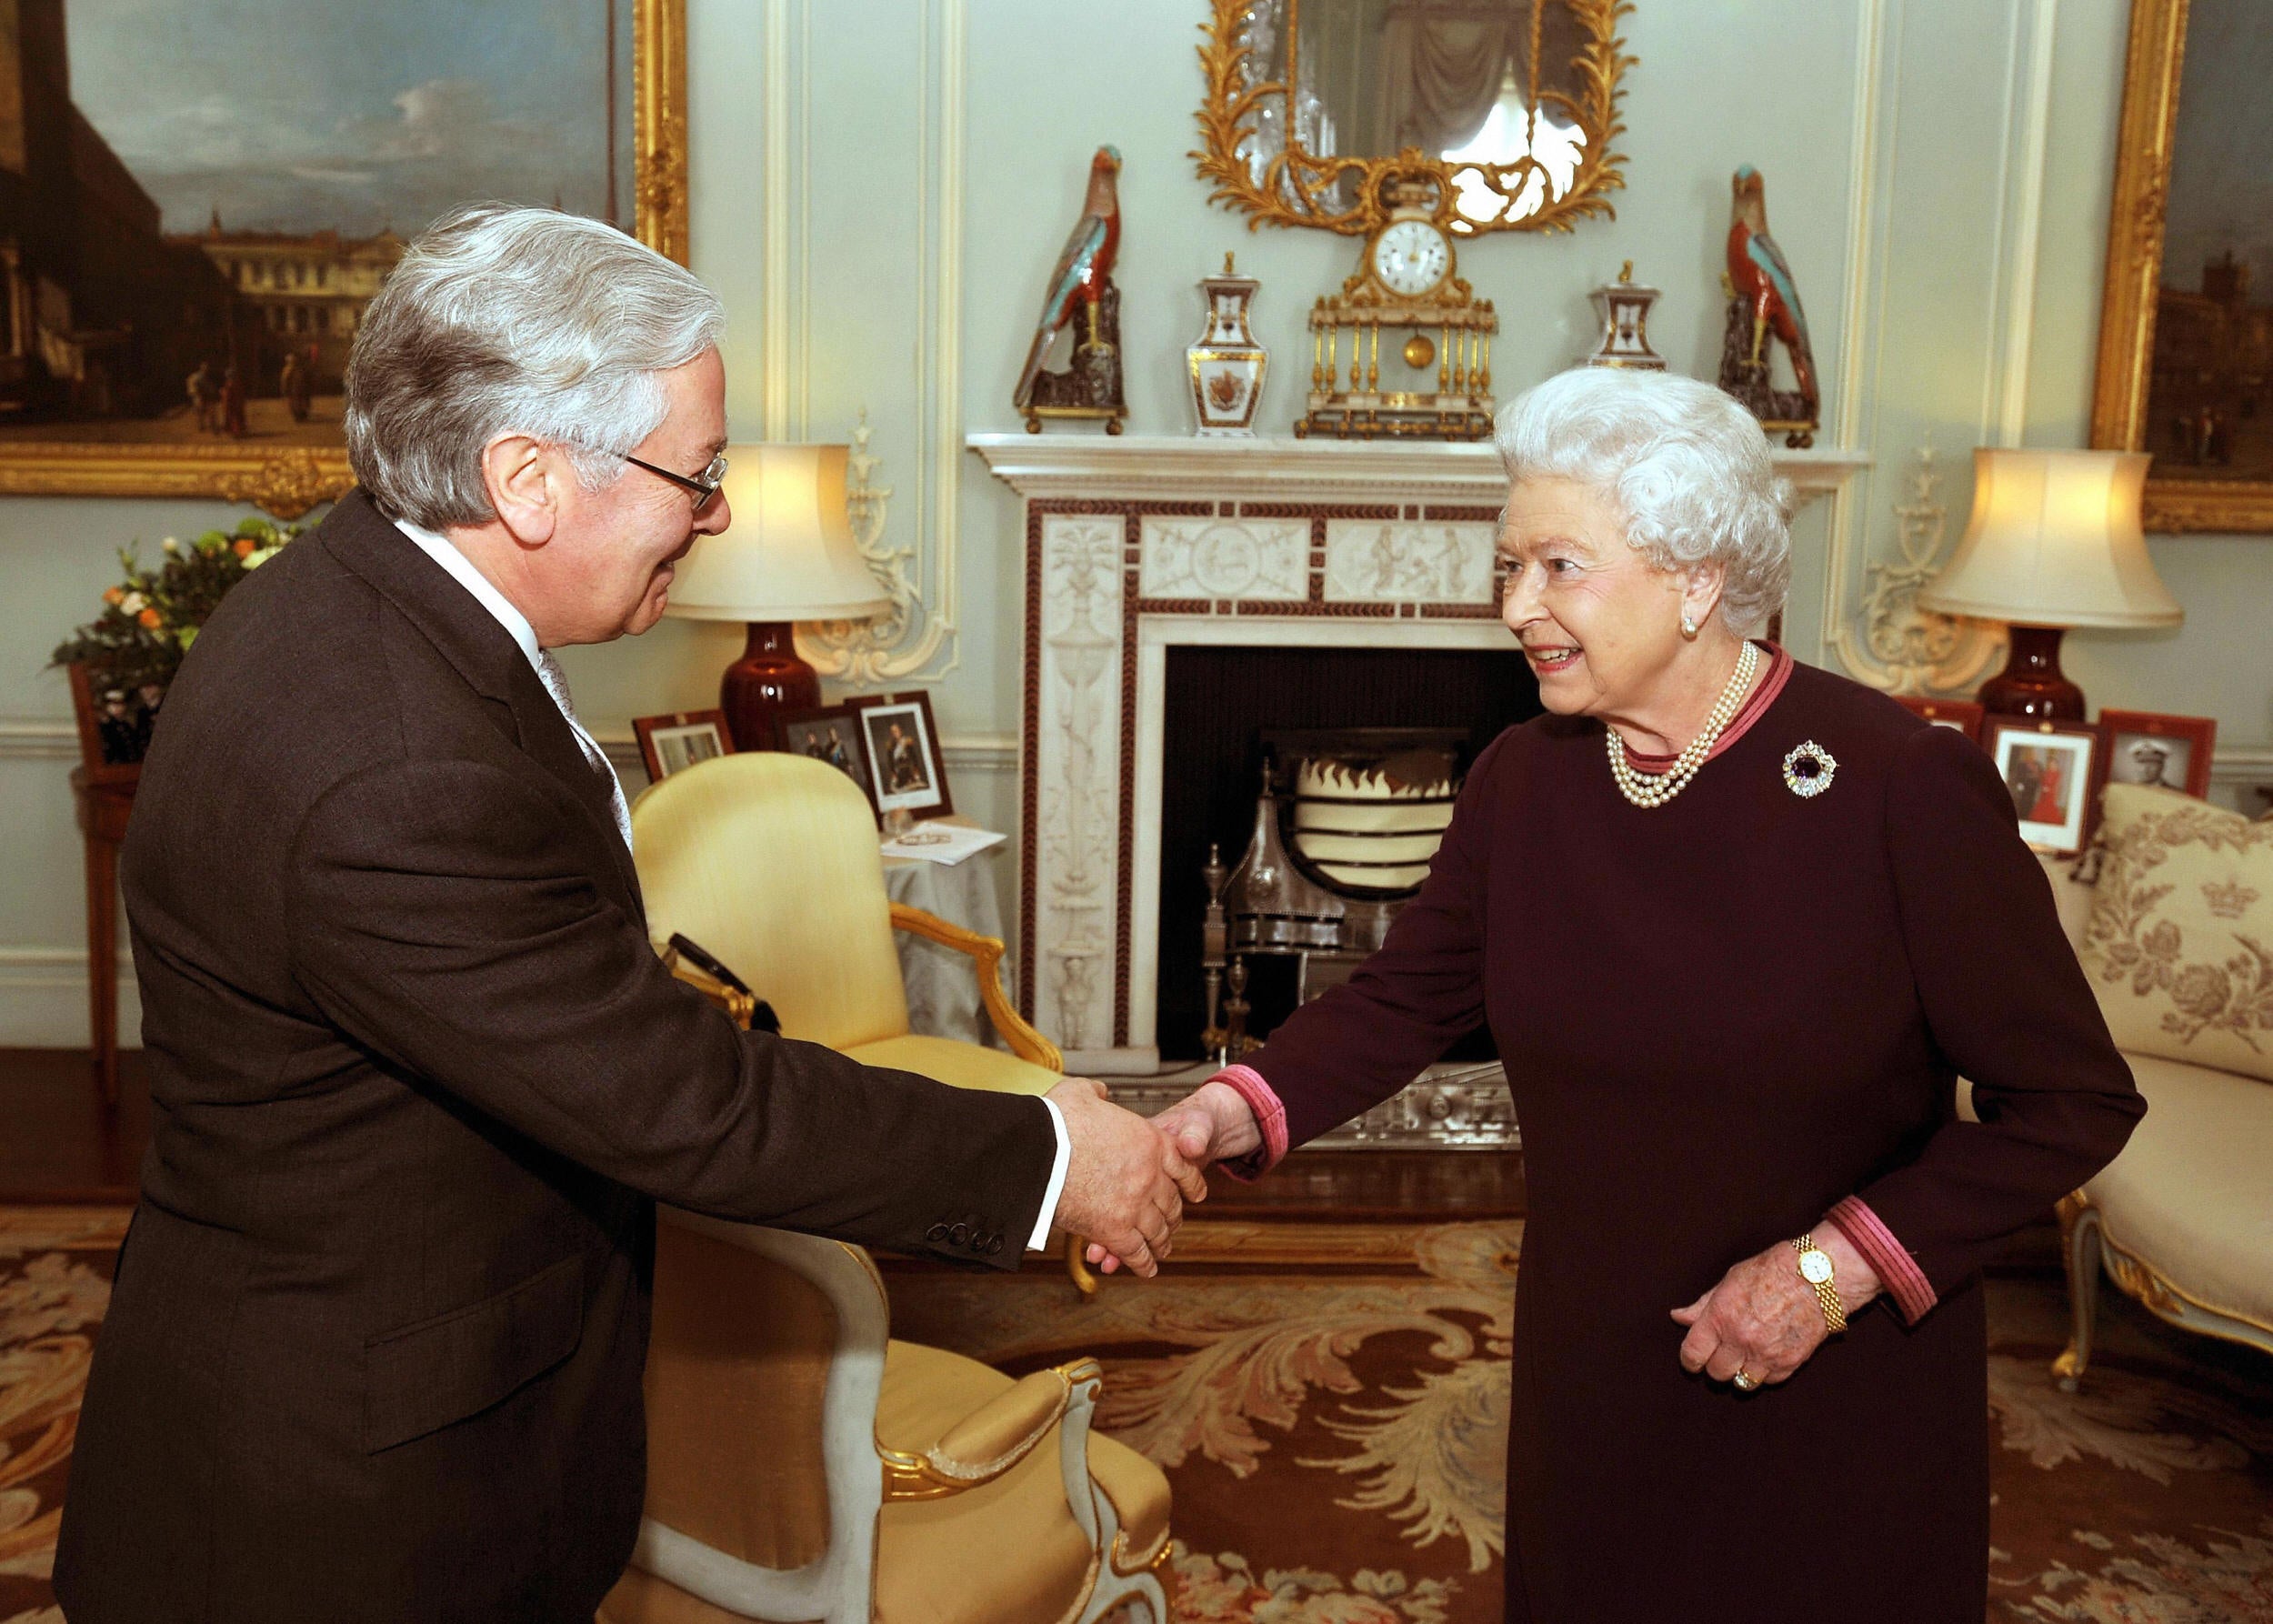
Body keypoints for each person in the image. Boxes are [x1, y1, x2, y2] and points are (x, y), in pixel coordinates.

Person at [54, 205, 1202, 1624]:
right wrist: (1049, 1153)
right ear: (528, 478)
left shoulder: (358, 599)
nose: (717, 510)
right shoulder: (393, 763)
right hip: (349, 1512)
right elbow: (685, 1104)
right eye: (697, 470)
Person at [1136, 366, 2146, 1623]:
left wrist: (1829, 1273)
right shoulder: (1525, 778)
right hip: (1595, 1361)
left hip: (1837, 1369)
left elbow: (2069, 1100)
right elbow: (1405, 999)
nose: (1516, 606)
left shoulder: (1900, 785)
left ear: (1694, 580)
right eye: (1508, 567)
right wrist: (1216, 1114)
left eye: (1558, 566)